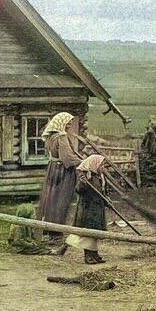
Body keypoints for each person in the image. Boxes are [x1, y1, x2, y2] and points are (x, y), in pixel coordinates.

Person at [35, 112, 82, 253]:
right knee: (60, 201)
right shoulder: (61, 137)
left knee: (50, 201)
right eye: (68, 122)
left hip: (53, 170)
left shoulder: (51, 136)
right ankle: (55, 233)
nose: (70, 125)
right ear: (61, 123)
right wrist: (83, 162)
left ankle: (48, 232)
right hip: (62, 172)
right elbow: (67, 158)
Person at [66, 154, 109, 264]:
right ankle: (88, 256)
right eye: (101, 165)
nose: (103, 167)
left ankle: (95, 254)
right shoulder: (85, 175)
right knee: (88, 232)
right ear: (94, 164)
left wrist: (107, 200)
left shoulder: (100, 176)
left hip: (98, 208)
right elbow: (79, 190)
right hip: (88, 208)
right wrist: (82, 183)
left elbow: (103, 191)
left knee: (95, 232)